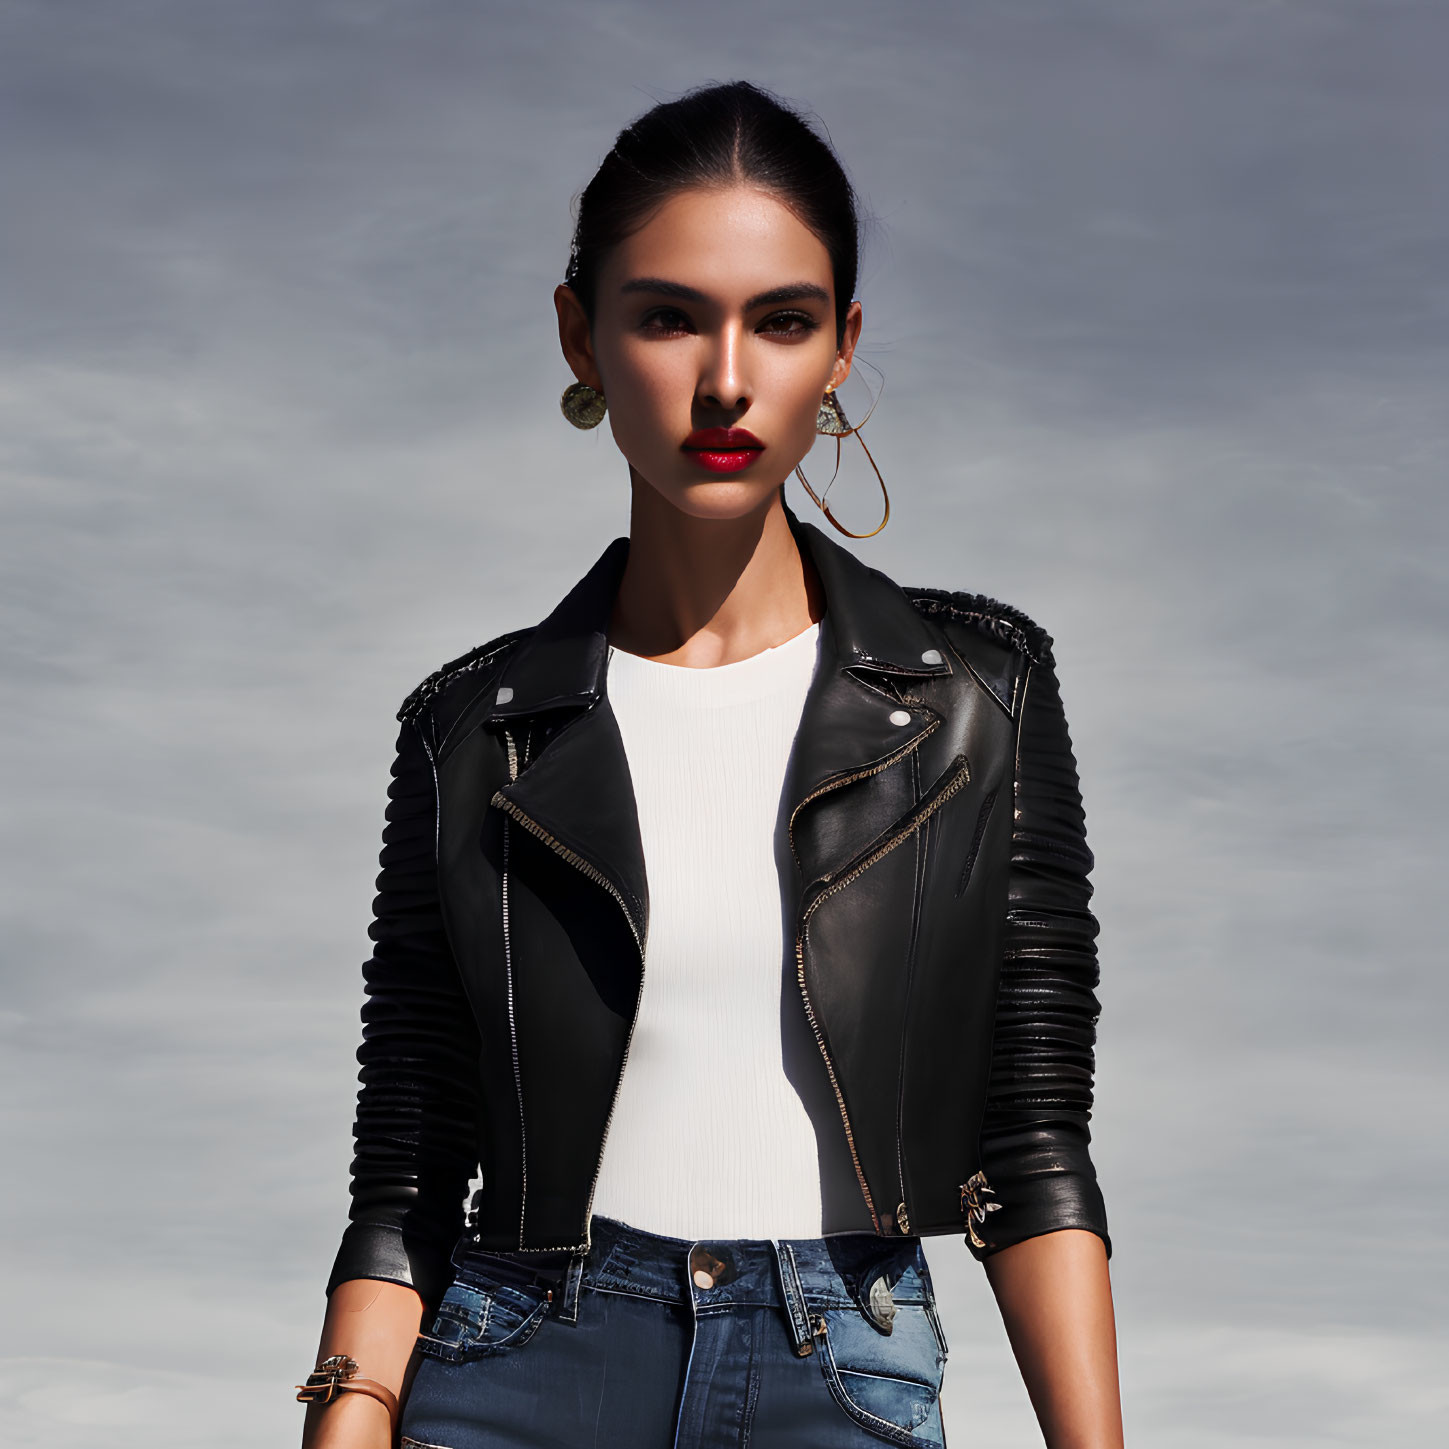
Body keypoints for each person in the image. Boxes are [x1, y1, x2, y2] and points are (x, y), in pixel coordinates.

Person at [298, 80, 1121, 1449]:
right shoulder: (466, 729)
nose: (726, 377)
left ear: (842, 346)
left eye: (782, 320)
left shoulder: (979, 693)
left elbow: (1029, 1139)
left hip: (837, 1370)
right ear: (580, 333)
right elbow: (411, 1154)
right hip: (511, 1365)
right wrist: (347, 1411)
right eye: (669, 315)